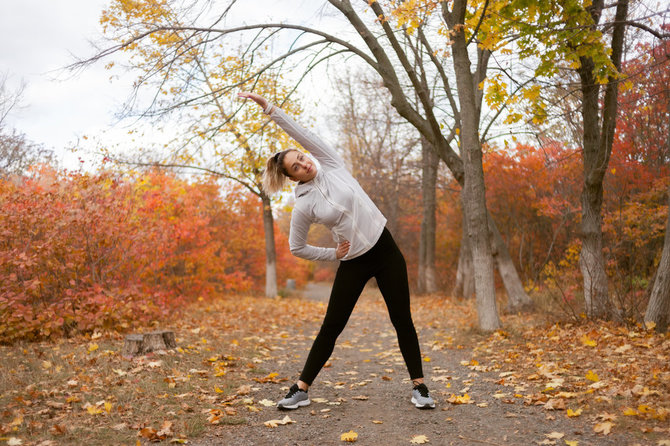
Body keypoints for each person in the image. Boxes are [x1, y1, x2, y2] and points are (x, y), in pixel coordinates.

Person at [237, 91, 435, 410]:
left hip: (385, 250)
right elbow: (296, 247)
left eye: (301, 158)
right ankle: (300, 389)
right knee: (332, 325)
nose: (304, 163)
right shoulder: (302, 205)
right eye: (296, 167)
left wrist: (270, 109)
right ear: (291, 178)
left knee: (402, 319)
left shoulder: (331, 164)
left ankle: (420, 387)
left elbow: (303, 133)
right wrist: (333, 254)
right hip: (353, 262)